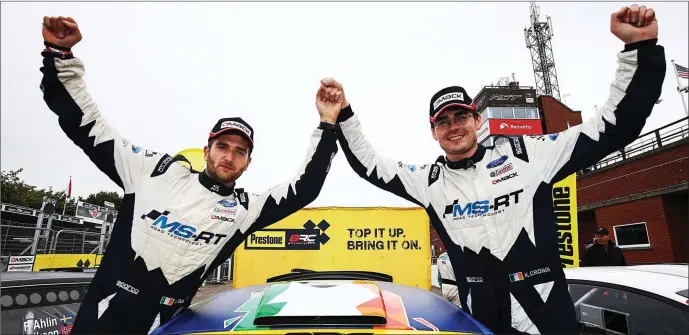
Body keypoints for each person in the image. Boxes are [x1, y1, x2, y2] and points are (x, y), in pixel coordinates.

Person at [320, 4, 664, 334]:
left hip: (547, 321)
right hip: (480, 325)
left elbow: (612, 127)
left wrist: (639, 48)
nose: (454, 127)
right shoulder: (429, 181)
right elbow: (370, 166)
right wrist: (343, 115)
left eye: (461, 117)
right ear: (433, 132)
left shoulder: (529, 154)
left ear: (477, 120)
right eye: (443, 122)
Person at [39, 16, 343, 334]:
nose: (229, 156)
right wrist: (59, 55)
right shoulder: (152, 172)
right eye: (222, 146)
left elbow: (305, 188)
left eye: (240, 151)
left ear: (248, 163)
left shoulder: (245, 210)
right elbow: (86, 123)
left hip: (167, 328)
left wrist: (327, 123)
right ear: (207, 150)